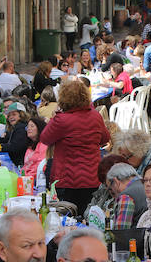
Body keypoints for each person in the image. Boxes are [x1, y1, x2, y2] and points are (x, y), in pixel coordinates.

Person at [39, 79, 110, 215]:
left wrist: (54, 118)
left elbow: (45, 138)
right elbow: (105, 139)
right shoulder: (95, 116)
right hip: (91, 177)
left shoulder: (61, 120)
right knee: (87, 216)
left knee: (67, 218)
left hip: (67, 179)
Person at [107, 163, 147, 229]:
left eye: (111, 189)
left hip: (135, 238)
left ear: (116, 182)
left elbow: (121, 230)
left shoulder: (126, 196)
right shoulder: (147, 185)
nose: (113, 193)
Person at [0, 102, 29, 166]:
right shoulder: (14, 128)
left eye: (14, 114)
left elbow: (14, 147)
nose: (11, 117)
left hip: (20, 164)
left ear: (21, 115)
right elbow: (6, 140)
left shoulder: (22, 128)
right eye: (9, 115)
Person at [22, 117, 48, 184]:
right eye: (27, 127)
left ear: (39, 128)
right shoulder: (30, 146)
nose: (29, 129)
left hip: (36, 181)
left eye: (32, 126)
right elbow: (26, 165)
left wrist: (27, 177)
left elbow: (41, 166)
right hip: (26, 179)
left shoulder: (43, 144)